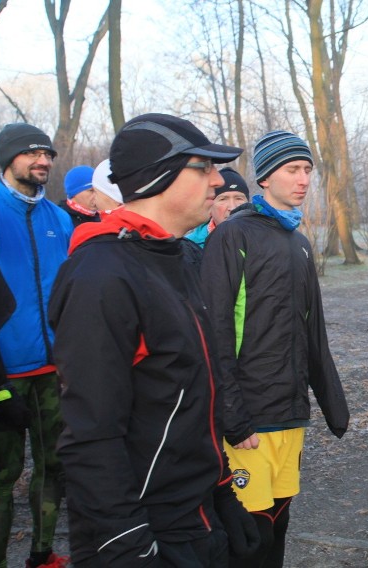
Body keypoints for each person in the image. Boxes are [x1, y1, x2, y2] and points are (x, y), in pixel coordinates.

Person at [48, 113, 260, 567]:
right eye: (203, 167)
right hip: (144, 532)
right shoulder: (101, 276)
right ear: (159, 177)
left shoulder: (178, 257)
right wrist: (125, 543)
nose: (219, 180)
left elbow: (189, 393)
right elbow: (91, 435)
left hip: (196, 516)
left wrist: (222, 490)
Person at [201, 130, 349, 568]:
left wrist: (332, 406)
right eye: (292, 170)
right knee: (249, 535)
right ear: (265, 177)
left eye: (307, 170)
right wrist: (232, 415)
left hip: (289, 414)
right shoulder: (232, 237)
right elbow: (215, 333)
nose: (303, 179)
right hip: (248, 420)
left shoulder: (299, 243)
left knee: (279, 524)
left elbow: (314, 332)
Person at [0, 123, 74, 568]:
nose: (43, 160)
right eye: (31, 153)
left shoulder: (59, 219)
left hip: (52, 373)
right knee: (1, 477)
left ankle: (42, 555)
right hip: (1, 374)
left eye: (47, 153)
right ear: (8, 159)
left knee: (53, 466)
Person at [185, 167, 249, 248]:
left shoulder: (263, 238)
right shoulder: (190, 246)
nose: (232, 207)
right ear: (210, 206)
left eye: (239, 198)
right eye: (223, 199)